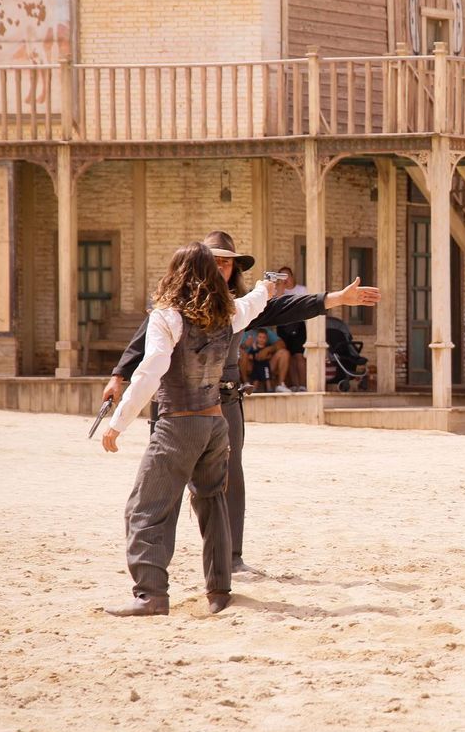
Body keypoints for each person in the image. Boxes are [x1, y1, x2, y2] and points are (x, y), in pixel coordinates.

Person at [102, 232, 379, 574]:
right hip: (174, 404)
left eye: (226, 263)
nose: (220, 268)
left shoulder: (238, 307)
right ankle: (157, 569)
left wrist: (337, 298)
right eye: (214, 261)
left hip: (223, 403)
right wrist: (118, 376)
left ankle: (229, 562)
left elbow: (286, 307)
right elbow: (146, 345)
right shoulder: (173, 307)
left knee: (226, 482)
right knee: (163, 486)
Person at [99, 242, 282, 616]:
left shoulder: (167, 317)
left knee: (144, 509)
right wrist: (266, 287)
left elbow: (150, 372)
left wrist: (117, 423)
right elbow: (254, 303)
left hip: (178, 426)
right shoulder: (227, 314)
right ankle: (219, 591)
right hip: (216, 423)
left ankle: (150, 595)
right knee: (213, 504)